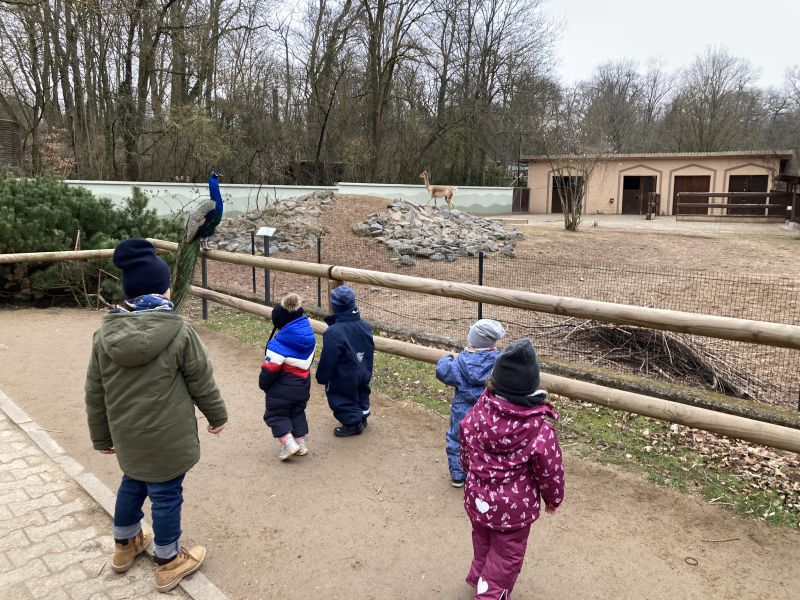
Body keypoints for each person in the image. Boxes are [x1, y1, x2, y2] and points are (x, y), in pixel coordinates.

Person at [84, 238, 228, 593]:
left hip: (128, 435)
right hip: (168, 437)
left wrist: (101, 436)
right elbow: (201, 379)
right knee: (165, 494)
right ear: (163, 289)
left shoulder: (104, 336)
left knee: (132, 483)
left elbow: (95, 391)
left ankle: (124, 545)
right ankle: (168, 561)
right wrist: (216, 415)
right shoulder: (179, 331)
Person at [460, 338, 564, 600]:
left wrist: (468, 470)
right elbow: (550, 471)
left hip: (478, 498)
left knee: (482, 540)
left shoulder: (479, 411)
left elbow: (465, 444)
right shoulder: (540, 429)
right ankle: (489, 594)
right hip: (514, 510)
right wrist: (553, 499)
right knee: (506, 556)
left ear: (494, 382)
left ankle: (480, 579)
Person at [436, 319, 506, 488]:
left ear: (472, 341)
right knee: (486, 441)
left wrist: (446, 358)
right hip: (488, 412)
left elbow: (443, 371)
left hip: (462, 411)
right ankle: (483, 474)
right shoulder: (499, 363)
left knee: (457, 439)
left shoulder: (460, 361)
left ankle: (458, 474)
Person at [260, 293, 316, 460]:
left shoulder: (277, 345)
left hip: (283, 387)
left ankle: (289, 444)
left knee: (275, 414)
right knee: (297, 412)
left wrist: (264, 384)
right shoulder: (310, 338)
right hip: (303, 384)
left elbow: (270, 370)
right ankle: (300, 444)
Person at [315, 285, 374, 437]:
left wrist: (322, 376)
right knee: (361, 391)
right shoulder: (365, 326)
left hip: (344, 374)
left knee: (340, 396)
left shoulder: (334, 332)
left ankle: (353, 424)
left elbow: (329, 357)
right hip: (363, 368)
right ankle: (362, 416)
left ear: (335, 307)